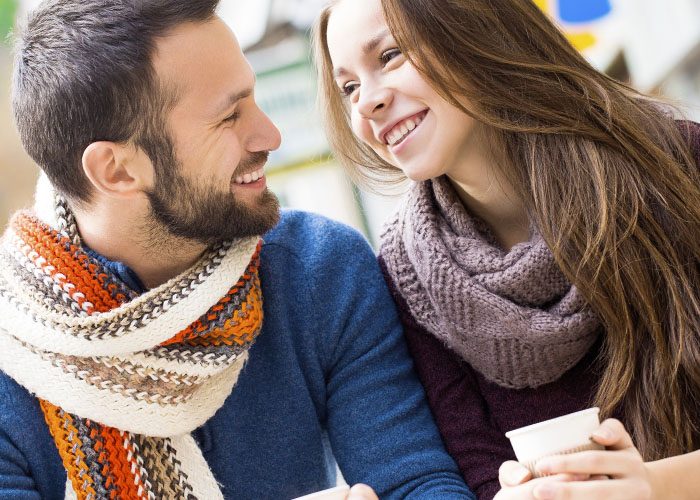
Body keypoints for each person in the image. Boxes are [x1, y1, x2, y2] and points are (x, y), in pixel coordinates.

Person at [0, 1, 476, 499]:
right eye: (229, 116)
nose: (270, 135)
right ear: (117, 171)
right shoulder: (13, 356)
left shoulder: (319, 270)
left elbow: (415, 482)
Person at [314, 0, 700, 498]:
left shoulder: (676, 165)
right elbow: (475, 468)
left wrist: (655, 485)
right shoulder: (409, 273)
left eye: (389, 55)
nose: (366, 102)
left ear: (475, 28)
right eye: (349, 87)